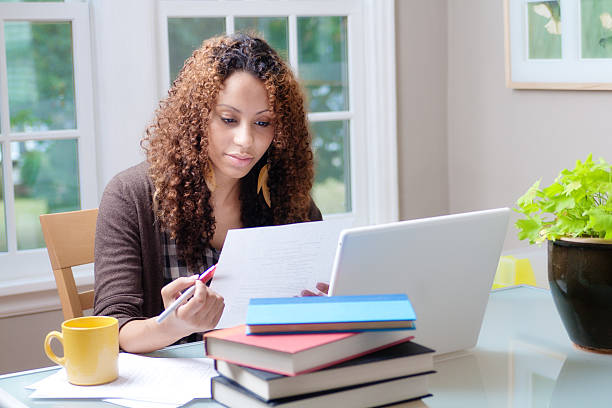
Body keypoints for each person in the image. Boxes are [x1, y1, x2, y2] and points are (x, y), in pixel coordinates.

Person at [94, 33, 322, 353]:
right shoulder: (130, 196)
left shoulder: (288, 197)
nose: (245, 140)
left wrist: (323, 309)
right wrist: (175, 324)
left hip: (264, 377)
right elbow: (114, 329)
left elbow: (306, 320)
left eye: (263, 122)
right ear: (197, 116)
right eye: (229, 119)